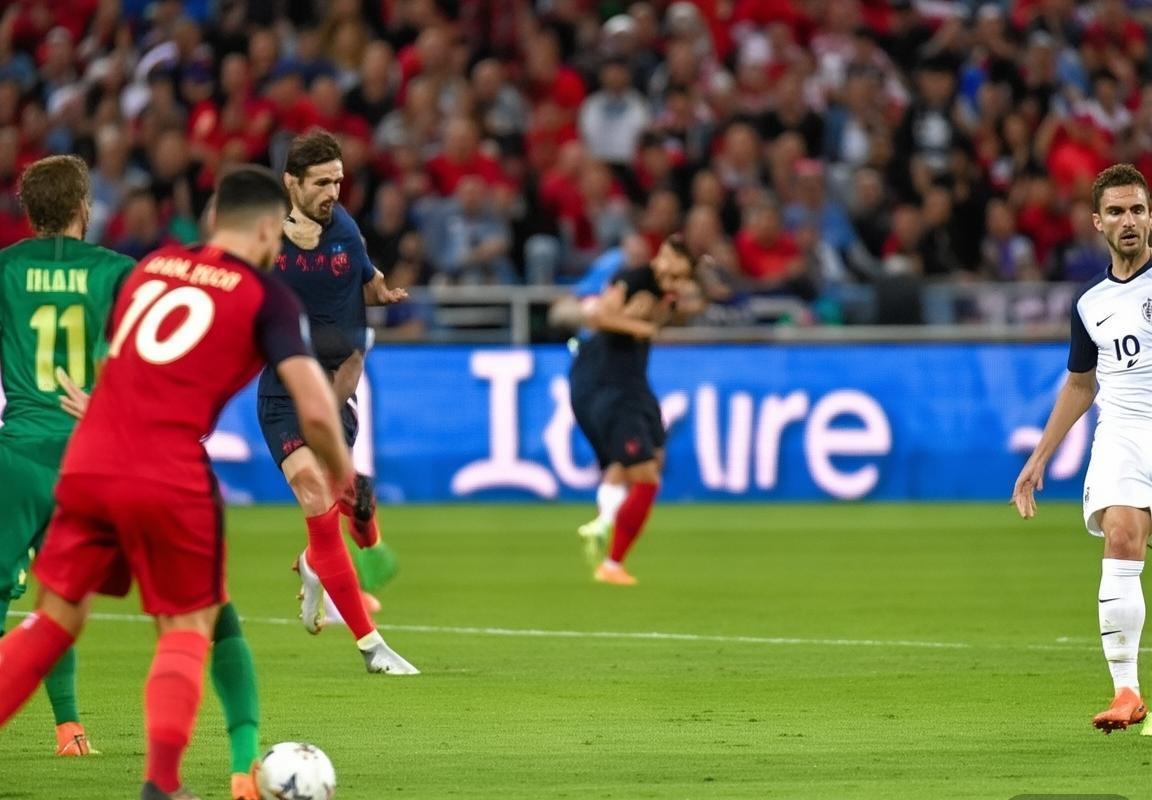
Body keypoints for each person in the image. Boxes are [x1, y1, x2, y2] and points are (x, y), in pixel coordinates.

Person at [0, 165, 356, 800]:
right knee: (189, 625)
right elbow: (313, 403)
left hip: (88, 459)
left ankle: (128, 758)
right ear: (269, 229)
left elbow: (117, 361)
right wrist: (345, 475)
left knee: (52, 620)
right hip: (164, 467)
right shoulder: (264, 295)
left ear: (213, 219)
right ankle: (164, 784)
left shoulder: (155, 268)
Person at [256, 129, 418, 674]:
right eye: (321, 183)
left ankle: (314, 562)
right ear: (291, 183)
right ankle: (372, 647)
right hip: (283, 395)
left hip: (335, 396)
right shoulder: (265, 240)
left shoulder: (345, 229)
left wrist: (380, 290)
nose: (332, 193)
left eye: (338, 182)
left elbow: (365, 282)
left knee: (350, 503)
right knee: (315, 493)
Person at [0, 155, 133, 757]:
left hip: (19, 454)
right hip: (85, 461)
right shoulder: (118, 272)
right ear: (84, 206)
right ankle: (70, 730)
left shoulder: (6, 269)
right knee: (62, 598)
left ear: (30, 213)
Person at [1013, 162, 1152, 733]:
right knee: (1121, 536)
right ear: (1097, 222)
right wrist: (1040, 455)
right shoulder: (1090, 303)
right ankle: (1126, 691)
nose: (1128, 220)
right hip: (1122, 433)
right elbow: (1079, 384)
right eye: (1116, 211)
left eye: (1137, 209)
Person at [568, 235, 701, 585]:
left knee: (651, 457)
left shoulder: (665, 295)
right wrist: (639, 325)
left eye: (680, 277)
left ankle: (602, 523)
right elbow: (598, 316)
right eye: (671, 270)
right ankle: (612, 565)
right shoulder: (634, 277)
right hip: (609, 384)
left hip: (632, 383)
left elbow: (689, 304)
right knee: (645, 474)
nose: (672, 279)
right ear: (662, 256)